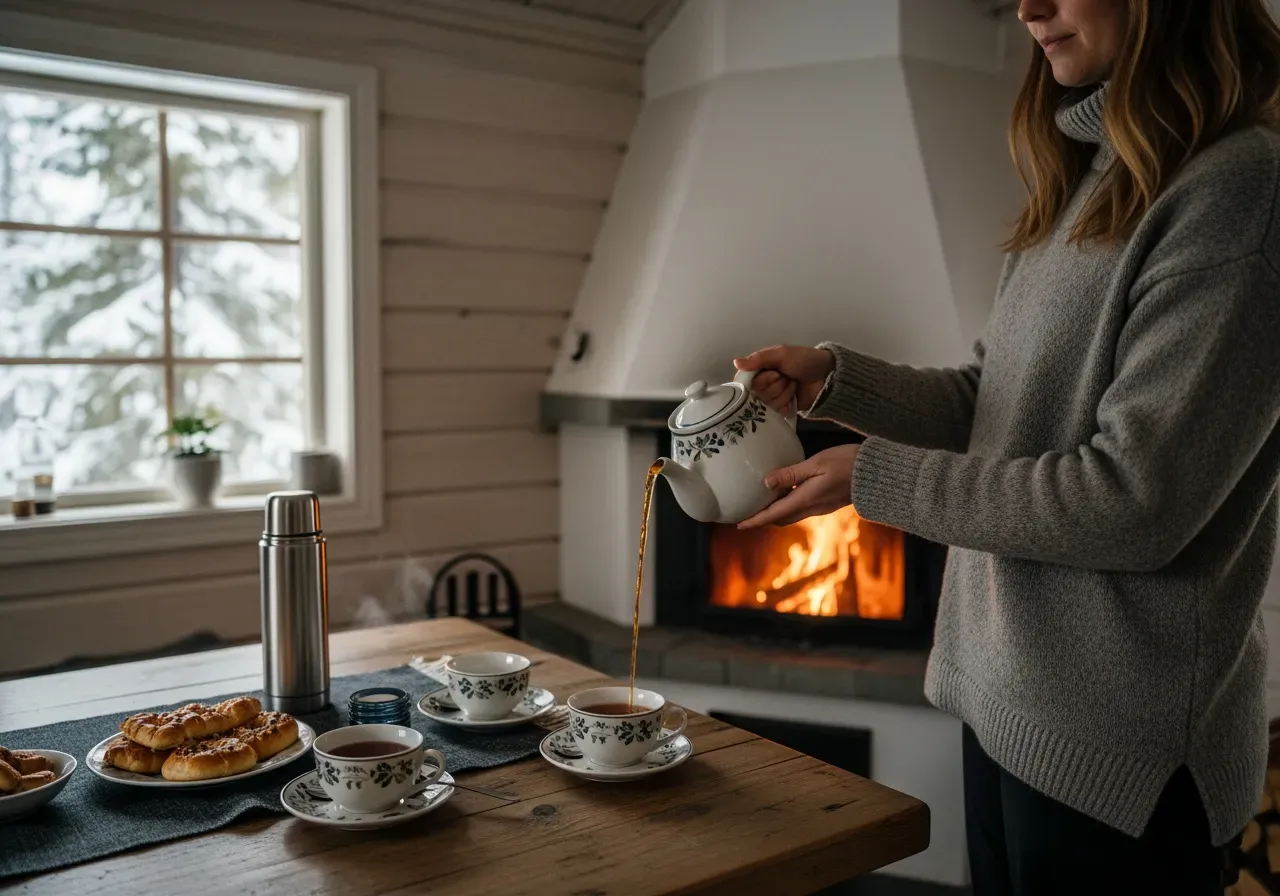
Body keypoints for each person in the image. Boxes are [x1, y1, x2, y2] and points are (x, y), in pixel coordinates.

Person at [733, 1, 1280, 893]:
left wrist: (871, 479)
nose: (1027, 8)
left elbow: (1133, 502)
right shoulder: (1088, 182)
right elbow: (997, 405)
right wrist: (836, 378)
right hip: (1002, 701)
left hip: (1118, 758)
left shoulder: (1239, 190)